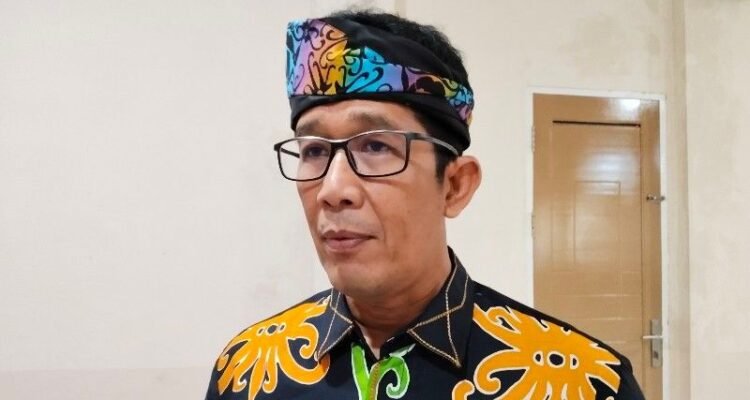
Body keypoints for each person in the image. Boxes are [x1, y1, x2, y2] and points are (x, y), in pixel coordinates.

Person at [204, 9, 645, 400]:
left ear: (454, 185)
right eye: (315, 150)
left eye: (375, 146)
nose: (332, 189)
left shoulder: (581, 384)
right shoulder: (249, 372)